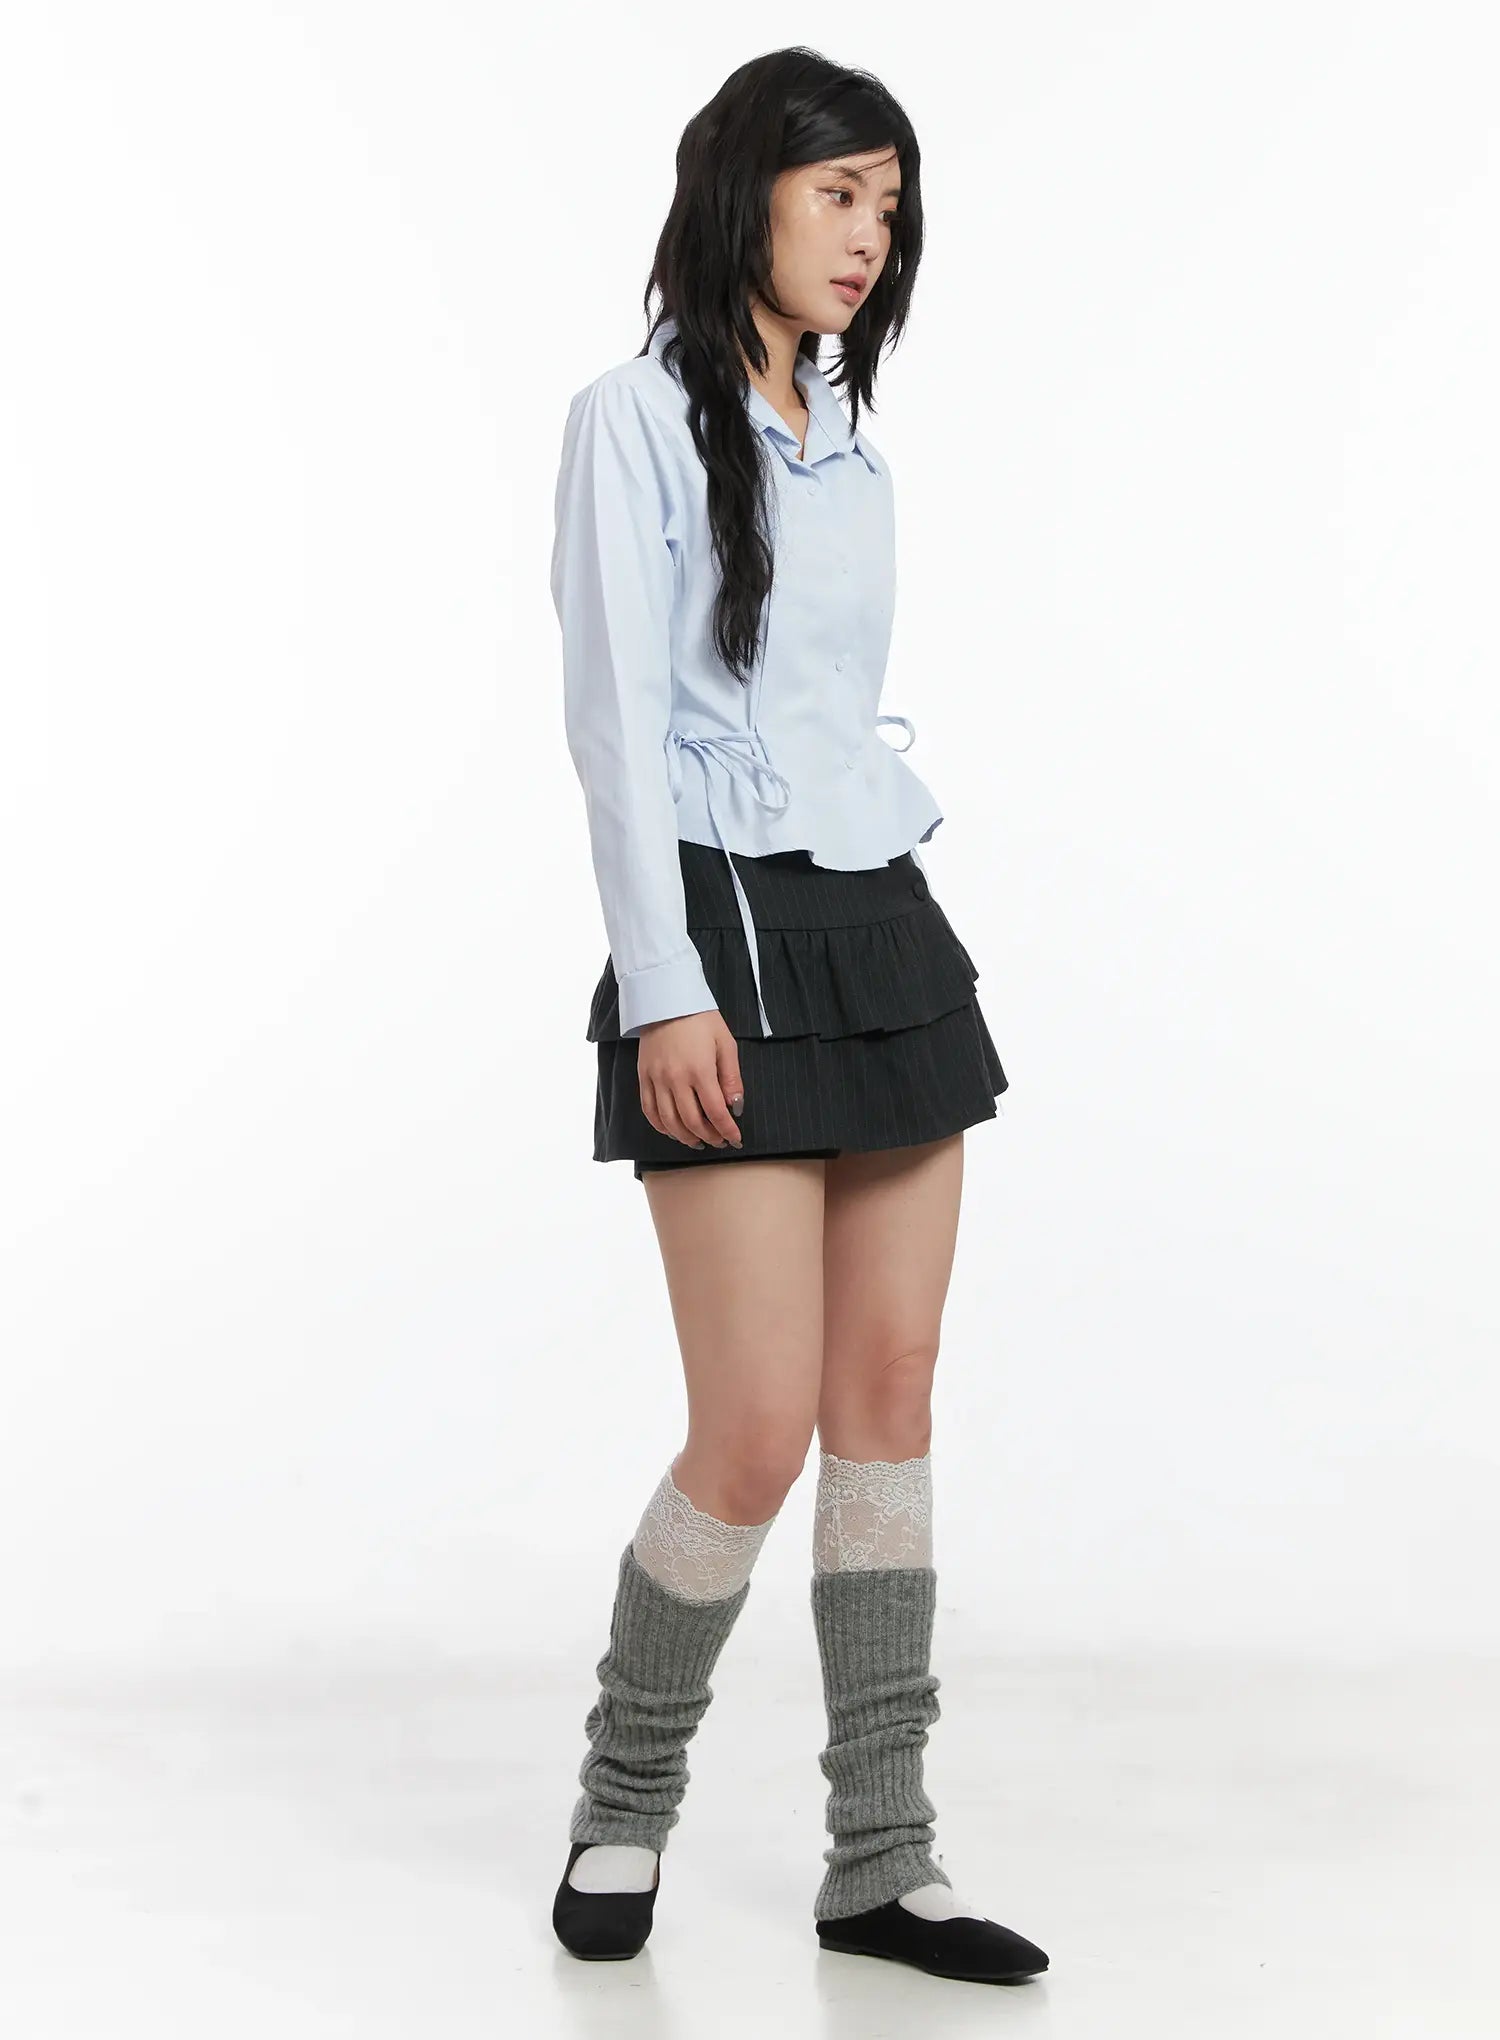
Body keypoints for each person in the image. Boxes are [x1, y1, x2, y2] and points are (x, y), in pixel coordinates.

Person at [546, 47, 1049, 1987]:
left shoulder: (851, 445)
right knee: (754, 1428)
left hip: (878, 922)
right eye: (839, 193)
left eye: (889, 207)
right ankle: (623, 1798)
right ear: (745, 189)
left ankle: (883, 1860)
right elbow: (618, 734)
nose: (869, 236)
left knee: (887, 1406)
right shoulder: (629, 423)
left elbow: (833, 722)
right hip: (723, 933)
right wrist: (665, 987)